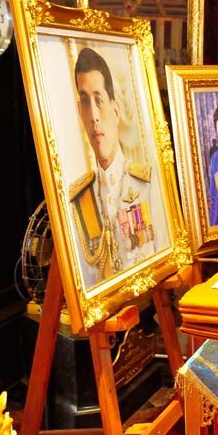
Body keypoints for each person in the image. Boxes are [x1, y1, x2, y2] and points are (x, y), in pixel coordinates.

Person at [69, 47, 156, 288]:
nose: (94, 116)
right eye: (86, 102)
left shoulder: (147, 182)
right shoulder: (78, 198)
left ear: (116, 110)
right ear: (79, 111)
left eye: (99, 100)